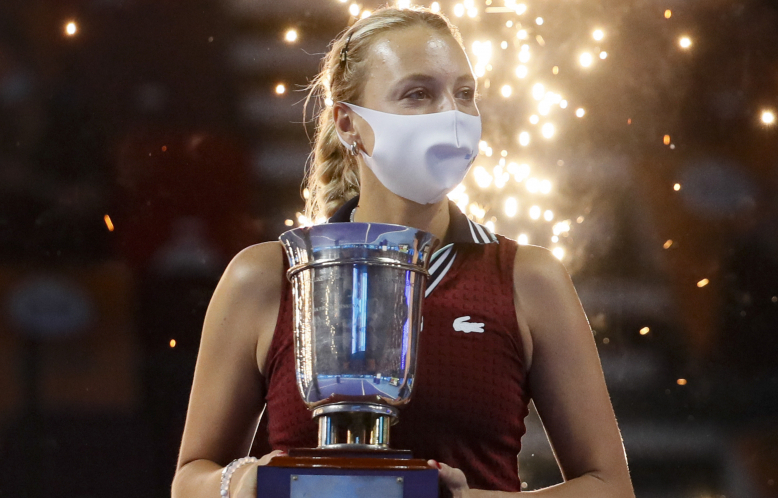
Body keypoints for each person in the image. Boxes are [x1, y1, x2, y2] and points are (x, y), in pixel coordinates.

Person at [170, 6, 634, 498]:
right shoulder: (268, 276)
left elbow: (609, 487)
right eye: (418, 94)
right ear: (348, 123)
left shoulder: (527, 279)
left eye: (464, 94)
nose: (450, 114)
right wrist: (238, 484)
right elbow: (190, 477)